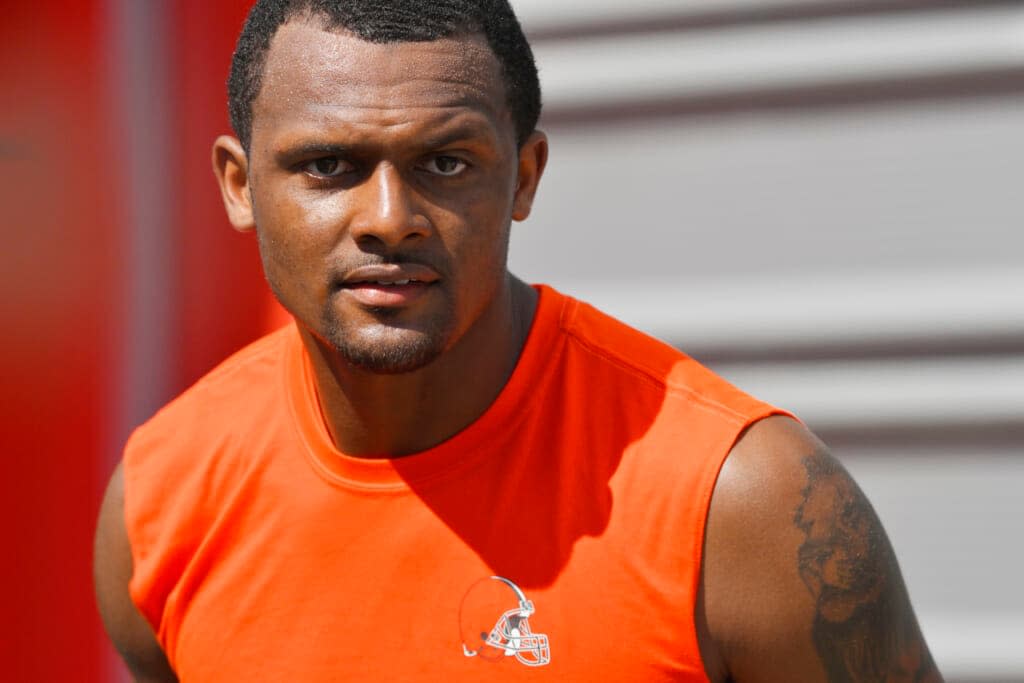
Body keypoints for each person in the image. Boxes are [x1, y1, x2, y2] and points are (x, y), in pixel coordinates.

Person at [93, 1, 943, 681]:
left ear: (524, 176)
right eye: (329, 166)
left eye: (447, 164)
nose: (388, 220)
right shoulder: (160, 502)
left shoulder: (743, 503)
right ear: (241, 187)